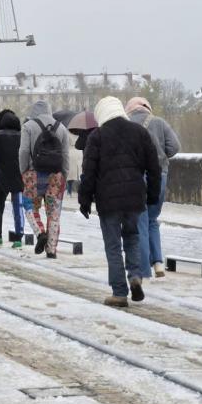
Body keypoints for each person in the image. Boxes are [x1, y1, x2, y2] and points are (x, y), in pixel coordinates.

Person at [79, 97, 161, 307]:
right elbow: (154, 167)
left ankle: (119, 292)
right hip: (135, 197)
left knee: (113, 246)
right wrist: (152, 194)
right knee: (132, 237)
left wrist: (84, 200)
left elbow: (89, 172)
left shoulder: (97, 136)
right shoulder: (139, 133)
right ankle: (135, 276)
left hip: (108, 201)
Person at [125, 97, 181, 278]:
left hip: (137, 176)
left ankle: (143, 270)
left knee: (140, 220)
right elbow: (174, 147)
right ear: (147, 108)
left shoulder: (126, 124)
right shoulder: (159, 122)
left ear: (130, 110)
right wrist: (162, 155)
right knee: (152, 219)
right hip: (160, 174)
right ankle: (158, 262)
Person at [18, 100, 70, 259]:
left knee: (29, 206)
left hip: (33, 173)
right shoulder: (61, 128)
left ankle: (40, 233)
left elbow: (24, 151)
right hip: (55, 175)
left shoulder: (28, 126)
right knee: (53, 212)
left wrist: (23, 171)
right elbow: (66, 155)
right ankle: (52, 249)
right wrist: (64, 175)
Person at [0, 109, 24, 248]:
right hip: (17, 175)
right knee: (17, 207)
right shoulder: (21, 136)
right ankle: (18, 239)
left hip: (0, 176)